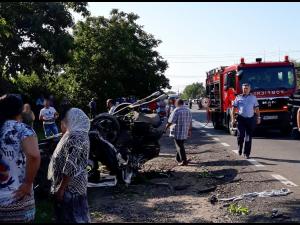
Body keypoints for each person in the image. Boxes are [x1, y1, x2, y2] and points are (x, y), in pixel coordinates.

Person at [0, 94, 41, 223]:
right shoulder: (23, 129)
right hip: (16, 197)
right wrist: (28, 183)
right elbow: (34, 156)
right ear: (20, 109)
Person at [47, 107, 91, 223]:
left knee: (73, 218)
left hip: (70, 190)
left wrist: (61, 188)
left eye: (64, 121)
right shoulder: (76, 135)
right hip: (71, 188)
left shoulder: (76, 137)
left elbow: (71, 165)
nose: (62, 124)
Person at [231, 83, 261, 159]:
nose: (245, 90)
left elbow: (257, 109)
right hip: (241, 119)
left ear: (249, 89)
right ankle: (240, 148)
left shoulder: (253, 98)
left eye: (247, 88)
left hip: (250, 119)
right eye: (244, 88)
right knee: (241, 136)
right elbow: (233, 109)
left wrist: (258, 117)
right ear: (242, 89)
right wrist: (233, 119)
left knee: (248, 137)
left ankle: (246, 153)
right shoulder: (238, 97)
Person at [165, 99, 192, 166]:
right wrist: (189, 130)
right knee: (180, 145)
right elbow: (190, 121)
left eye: (175, 103)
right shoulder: (188, 110)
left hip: (178, 131)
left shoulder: (176, 110)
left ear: (177, 103)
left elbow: (171, 121)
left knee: (179, 146)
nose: (175, 104)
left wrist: (165, 129)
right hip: (185, 131)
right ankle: (178, 159)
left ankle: (184, 161)